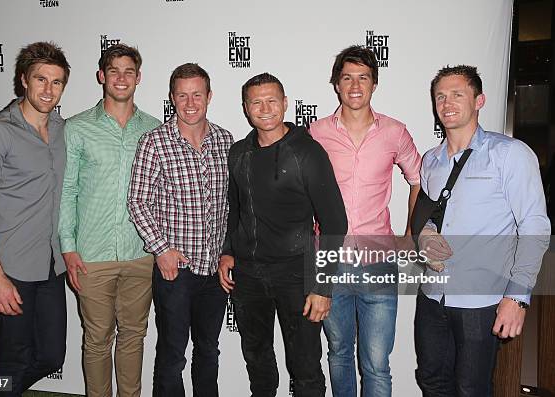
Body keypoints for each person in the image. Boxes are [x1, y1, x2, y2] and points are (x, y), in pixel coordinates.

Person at [415, 65, 550, 397]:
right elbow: (428, 216)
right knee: (432, 379)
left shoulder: (509, 154)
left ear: (479, 100)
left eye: (457, 94)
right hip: (432, 294)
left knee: (470, 388)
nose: (447, 103)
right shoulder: (430, 160)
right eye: (440, 96)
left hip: (482, 298)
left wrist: (517, 297)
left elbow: (534, 226)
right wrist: (424, 236)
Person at [218, 72, 347, 397]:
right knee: (257, 362)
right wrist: (228, 251)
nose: (265, 108)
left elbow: (335, 225)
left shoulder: (307, 153)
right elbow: (235, 209)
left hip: (296, 274)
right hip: (248, 276)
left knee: (305, 368)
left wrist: (322, 287)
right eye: (256, 102)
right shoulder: (238, 153)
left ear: (285, 104)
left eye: (272, 100)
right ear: (246, 108)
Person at [310, 45, 421, 397]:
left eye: (363, 78)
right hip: (331, 260)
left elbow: (418, 178)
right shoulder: (316, 133)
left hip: (378, 261)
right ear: (336, 84)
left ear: (374, 84)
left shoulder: (395, 131)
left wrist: (409, 234)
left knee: (376, 363)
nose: (355, 85)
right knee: (339, 354)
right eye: (347, 77)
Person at [0, 41, 70, 395]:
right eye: (40, 79)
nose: (48, 90)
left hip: (50, 267)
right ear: (23, 80)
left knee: (52, 357)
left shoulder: (62, 130)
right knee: (13, 361)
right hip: (10, 269)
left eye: (56, 82)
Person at [58, 44, 161, 397]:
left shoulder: (154, 129)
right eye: (113, 71)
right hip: (91, 255)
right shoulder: (76, 128)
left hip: (140, 253)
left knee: (134, 336)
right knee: (97, 340)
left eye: (128, 71)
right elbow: (67, 190)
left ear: (138, 78)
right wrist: (68, 249)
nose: (121, 78)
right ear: (102, 76)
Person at [127, 63, 233, 397]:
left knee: (208, 350)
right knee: (172, 354)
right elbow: (137, 201)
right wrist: (161, 249)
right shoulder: (154, 142)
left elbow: (233, 206)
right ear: (172, 98)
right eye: (182, 95)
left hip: (214, 271)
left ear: (209, 96)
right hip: (176, 271)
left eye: (197, 95)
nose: (190, 103)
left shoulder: (226, 141)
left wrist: (228, 251)